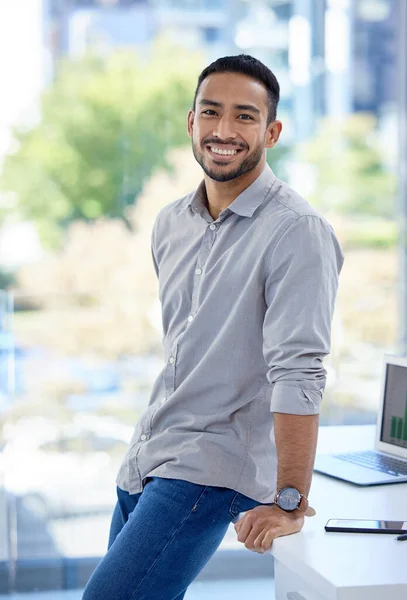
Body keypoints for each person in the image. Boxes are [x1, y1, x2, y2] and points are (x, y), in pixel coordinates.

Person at [82, 54, 344, 600]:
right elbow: (184, 350)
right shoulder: (170, 223)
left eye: (245, 116)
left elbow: (300, 369)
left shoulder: (297, 231)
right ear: (191, 122)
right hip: (150, 453)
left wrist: (290, 498)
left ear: (271, 131)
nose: (224, 131)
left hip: (210, 468)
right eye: (211, 112)